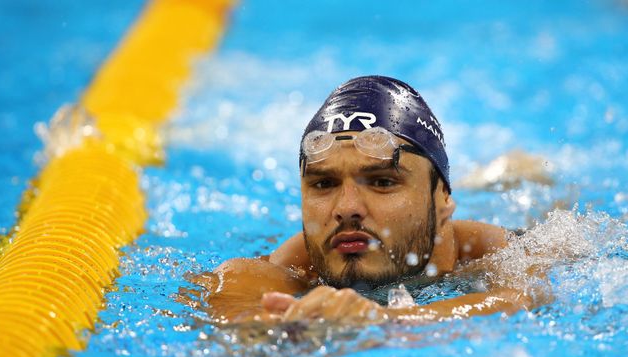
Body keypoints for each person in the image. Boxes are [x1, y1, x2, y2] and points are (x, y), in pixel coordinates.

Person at [195, 76, 535, 325]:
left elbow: (520, 300)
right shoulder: (279, 272)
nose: (346, 209)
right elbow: (235, 325)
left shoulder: (493, 252)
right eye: (324, 183)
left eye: (383, 181)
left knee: (525, 177)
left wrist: (386, 321)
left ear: (443, 199)